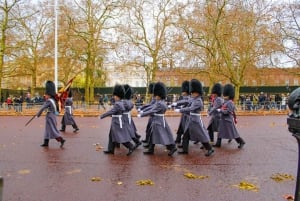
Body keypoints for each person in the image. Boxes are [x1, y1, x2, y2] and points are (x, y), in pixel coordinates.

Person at [175, 79, 214, 157]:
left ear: (197, 92)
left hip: (196, 121)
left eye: (193, 92)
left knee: (201, 135)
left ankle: (209, 148)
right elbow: (186, 101)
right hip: (191, 120)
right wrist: (176, 103)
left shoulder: (198, 101)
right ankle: (185, 150)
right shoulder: (193, 98)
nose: (191, 93)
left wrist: (180, 110)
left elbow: (190, 108)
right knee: (186, 134)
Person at [138, 82, 177, 156]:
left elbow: (152, 110)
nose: (155, 96)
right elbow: (152, 108)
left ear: (159, 95)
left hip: (158, 121)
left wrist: (142, 114)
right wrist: (143, 110)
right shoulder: (160, 102)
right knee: (153, 135)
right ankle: (151, 149)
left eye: (156, 95)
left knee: (162, 135)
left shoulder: (159, 103)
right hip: (157, 120)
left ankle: (172, 147)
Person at [100, 84, 135, 156]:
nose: (114, 97)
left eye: (115, 96)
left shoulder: (118, 104)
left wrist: (102, 116)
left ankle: (131, 146)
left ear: (118, 96)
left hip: (117, 122)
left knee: (119, 136)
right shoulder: (120, 103)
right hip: (116, 121)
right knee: (111, 135)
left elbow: (111, 111)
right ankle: (111, 149)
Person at [214, 84, 246, 148]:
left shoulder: (230, 102)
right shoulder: (225, 102)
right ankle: (218, 143)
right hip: (223, 120)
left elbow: (228, 111)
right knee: (220, 131)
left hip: (228, 120)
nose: (224, 96)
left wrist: (220, 110)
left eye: (226, 95)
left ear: (229, 96)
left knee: (233, 133)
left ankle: (241, 142)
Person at [36, 80, 65, 148]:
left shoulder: (49, 101)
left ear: (48, 95)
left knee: (52, 130)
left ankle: (61, 140)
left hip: (50, 117)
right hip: (52, 116)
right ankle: (46, 142)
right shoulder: (53, 100)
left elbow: (42, 108)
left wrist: (38, 115)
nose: (44, 96)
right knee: (47, 130)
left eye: (45, 95)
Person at [171, 80, 191, 144]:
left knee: (186, 129)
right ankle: (178, 139)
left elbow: (184, 102)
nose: (182, 92)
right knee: (180, 128)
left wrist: (177, 105)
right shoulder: (184, 97)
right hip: (183, 115)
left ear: (186, 92)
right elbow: (182, 103)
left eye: (183, 91)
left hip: (187, 115)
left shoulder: (189, 97)